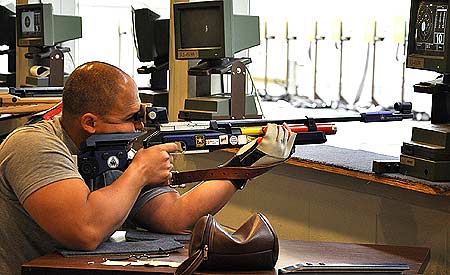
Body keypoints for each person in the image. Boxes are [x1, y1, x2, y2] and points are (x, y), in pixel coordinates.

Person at [0, 61, 295, 274]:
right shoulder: (33, 145)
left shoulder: (116, 151)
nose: (139, 127)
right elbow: (84, 231)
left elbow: (176, 218)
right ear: (90, 122)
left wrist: (248, 162)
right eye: (131, 118)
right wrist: (139, 171)